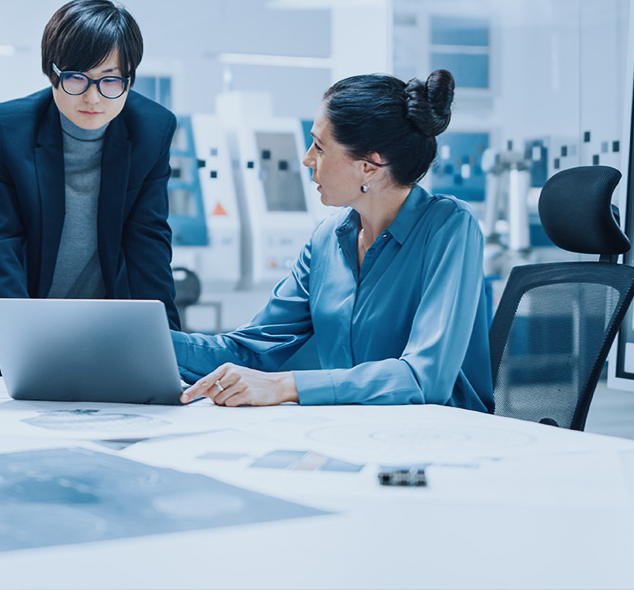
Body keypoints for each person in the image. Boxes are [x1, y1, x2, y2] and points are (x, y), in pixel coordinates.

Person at [176, 70, 493, 410]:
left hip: (443, 442)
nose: (306, 158)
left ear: (370, 166)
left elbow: (423, 378)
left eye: (320, 147)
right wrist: (140, 342)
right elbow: (250, 351)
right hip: (349, 435)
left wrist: (286, 385)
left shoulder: (448, 228)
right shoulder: (327, 239)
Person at [0, 0, 180, 328]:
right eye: (76, 77)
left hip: (107, 324)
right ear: (51, 71)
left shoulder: (152, 130)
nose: (93, 97)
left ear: (131, 78)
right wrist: (15, 336)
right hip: (28, 310)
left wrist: (170, 348)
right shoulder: (6, 130)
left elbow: (149, 244)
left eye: (111, 80)